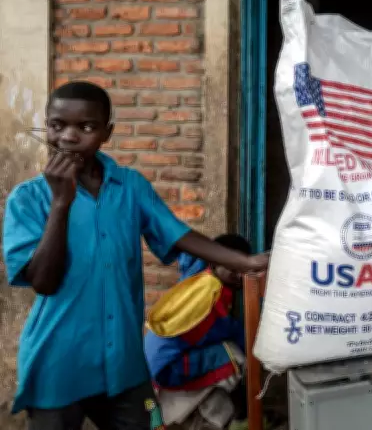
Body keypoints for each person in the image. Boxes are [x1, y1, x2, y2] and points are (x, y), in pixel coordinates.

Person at [2, 81, 270, 430]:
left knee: (149, 421)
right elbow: (44, 282)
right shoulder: (28, 199)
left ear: (107, 133)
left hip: (125, 365)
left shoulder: (130, 186)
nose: (68, 136)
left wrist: (246, 263)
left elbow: (177, 234)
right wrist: (60, 204)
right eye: (57, 125)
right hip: (58, 364)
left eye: (86, 127)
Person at [144, 234, 251, 429]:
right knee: (237, 356)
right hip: (166, 368)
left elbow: (186, 255)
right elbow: (226, 330)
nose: (240, 275)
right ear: (215, 261)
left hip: (153, 360)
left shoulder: (199, 273)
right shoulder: (212, 293)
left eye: (244, 268)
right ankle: (242, 417)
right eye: (233, 267)